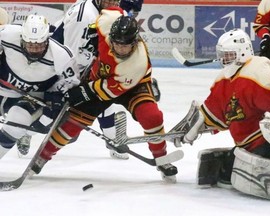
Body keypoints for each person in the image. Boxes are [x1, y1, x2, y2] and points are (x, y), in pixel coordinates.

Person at [30, 9, 178, 182]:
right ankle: (43, 156)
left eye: (125, 45)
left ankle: (161, 158)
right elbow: (109, 11)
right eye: (117, 44)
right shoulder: (107, 24)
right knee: (72, 123)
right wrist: (92, 29)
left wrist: (81, 92)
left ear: (135, 42)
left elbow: (110, 89)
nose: (120, 49)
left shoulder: (137, 62)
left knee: (152, 116)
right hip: (101, 79)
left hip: (132, 85)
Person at [182, 28, 270, 203]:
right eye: (222, 55)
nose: (224, 60)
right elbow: (213, 115)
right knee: (227, 173)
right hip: (246, 147)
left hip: (269, 144)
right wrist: (194, 126)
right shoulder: (222, 80)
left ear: (243, 53)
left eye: (229, 55)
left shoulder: (256, 70)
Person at [0, 14, 80, 159]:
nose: (34, 50)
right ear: (22, 39)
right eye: (30, 45)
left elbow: (72, 83)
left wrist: (56, 98)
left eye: (39, 46)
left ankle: (26, 133)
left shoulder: (61, 56)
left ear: (47, 40)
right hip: (3, 88)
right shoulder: (7, 34)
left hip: (34, 96)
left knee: (16, 122)